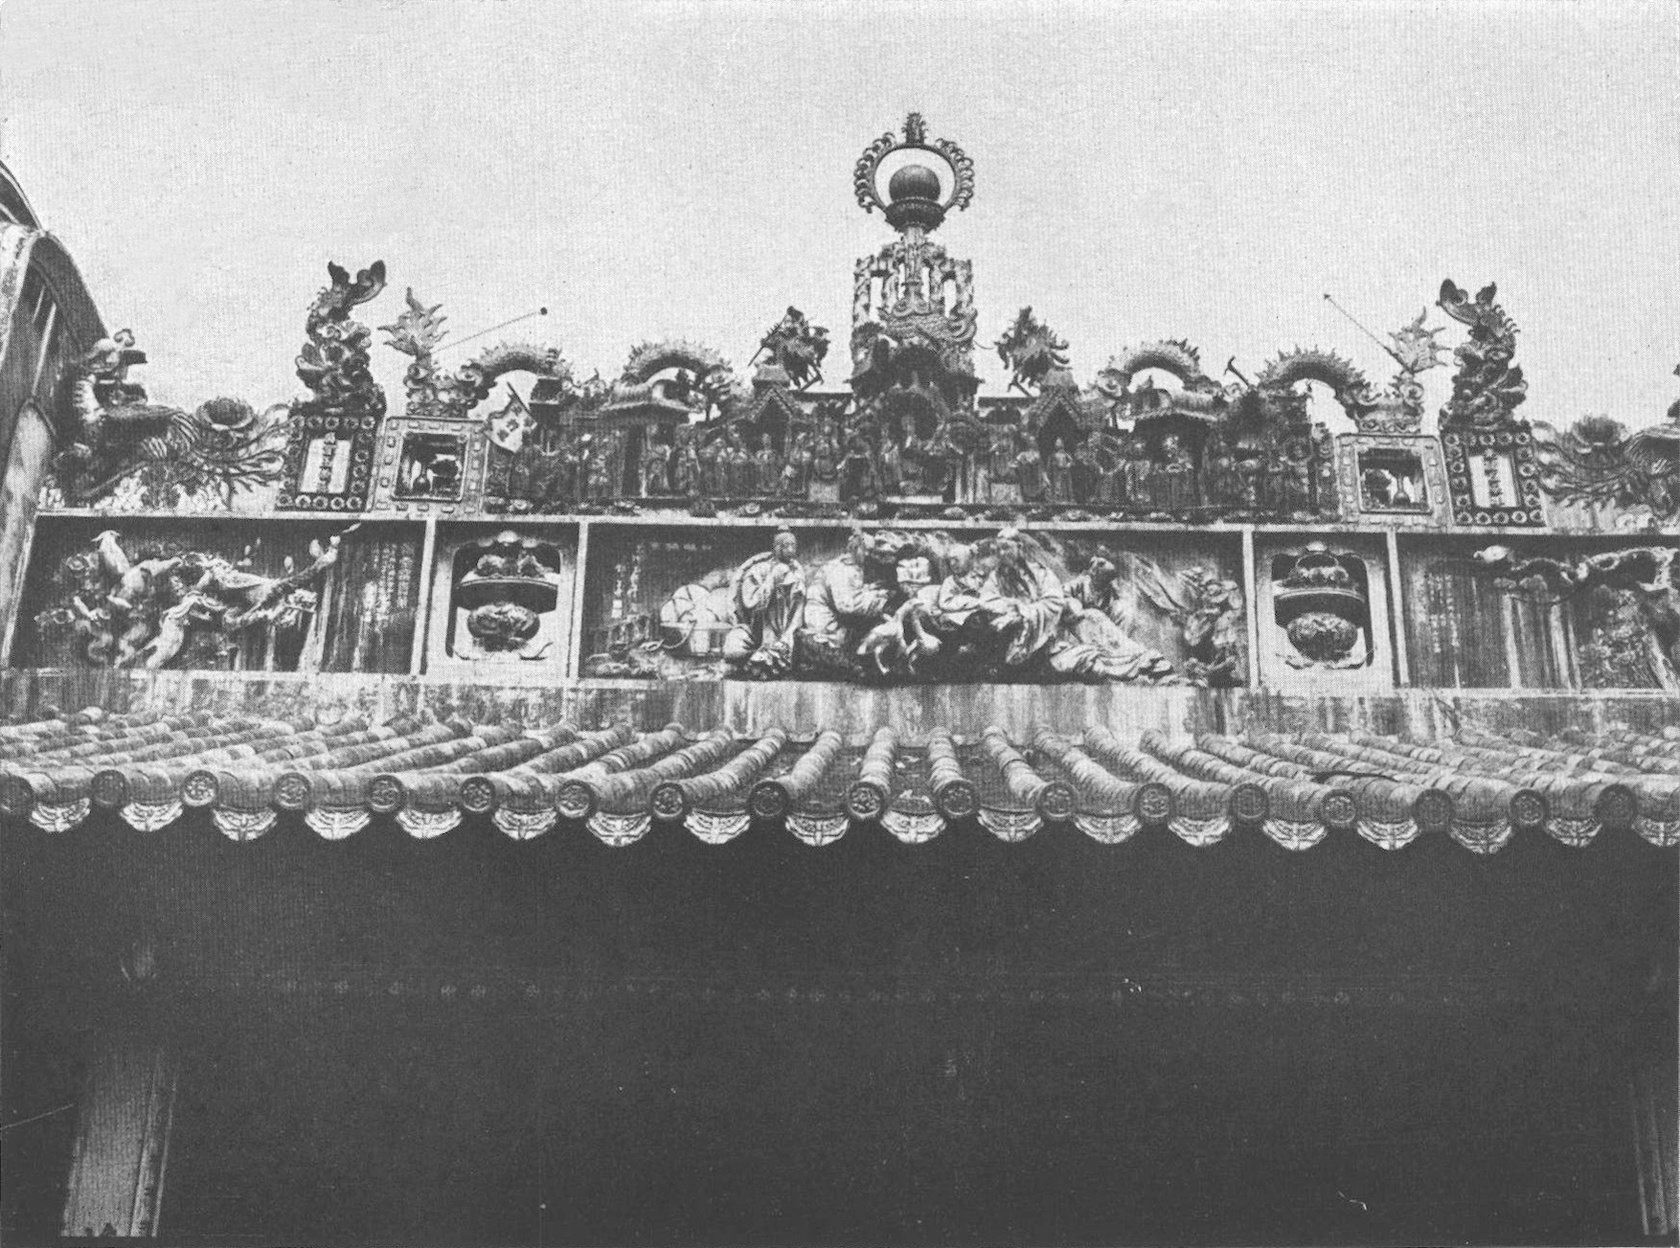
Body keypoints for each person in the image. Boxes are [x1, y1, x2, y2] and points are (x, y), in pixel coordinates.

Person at [722, 529, 806, 676]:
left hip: (786, 635)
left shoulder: (796, 575)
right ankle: (757, 660)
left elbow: (798, 610)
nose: (791, 550)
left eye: (793, 545)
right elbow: (750, 603)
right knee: (732, 648)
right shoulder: (759, 570)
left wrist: (788, 635)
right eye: (786, 546)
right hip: (755, 633)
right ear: (777, 548)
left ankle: (768, 659)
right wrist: (772, 580)